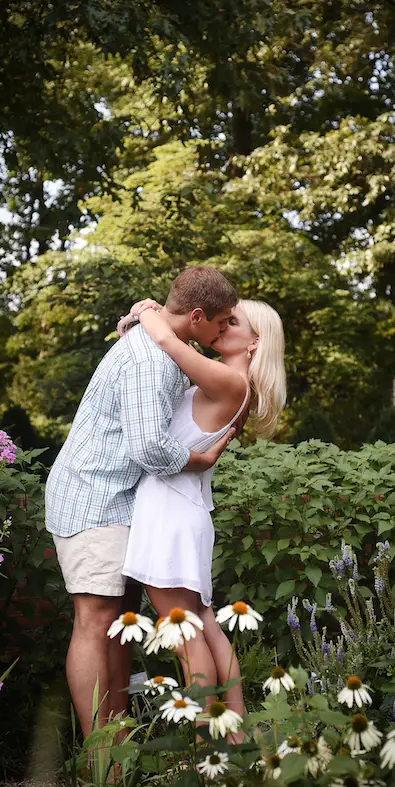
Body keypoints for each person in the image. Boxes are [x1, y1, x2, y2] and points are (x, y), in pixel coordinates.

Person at [44, 267, 238, 736]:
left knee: (117, 624)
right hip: (93, 497)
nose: (224, 330)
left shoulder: (168, 346)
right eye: (222, 321)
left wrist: (143, 310)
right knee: (96, 621)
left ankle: (119, 745)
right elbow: (149, 446)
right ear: (196, 316)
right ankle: (101, 755)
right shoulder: (149, 360)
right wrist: (199, 459)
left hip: (123, 501)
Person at [117, 297, 286, 737]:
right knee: (205, 626)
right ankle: (235, 734)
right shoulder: (234, 384)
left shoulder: (230, 381)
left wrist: (149, 311)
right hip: (183, 507)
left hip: (169, 510)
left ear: (255, 342)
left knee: (186, 637)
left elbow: (169, 342)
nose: (221, 326)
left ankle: (206, 747)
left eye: (234, 322)